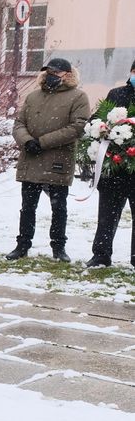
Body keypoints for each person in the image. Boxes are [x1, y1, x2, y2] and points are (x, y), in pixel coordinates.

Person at [7, 57, 91, 262]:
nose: (51, 76)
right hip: (31, 158)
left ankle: (58, 247)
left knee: (58, 207)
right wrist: (27, 141)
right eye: (48, 72)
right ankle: (23, 244)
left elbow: (77, 127)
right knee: (27, 206)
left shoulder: (78, 97)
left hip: (58, 159)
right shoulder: (33, 96)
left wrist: (42, 142)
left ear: (67, 75)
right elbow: (19, 123)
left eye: (56, 73)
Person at [86, 59, 135, 268]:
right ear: (131, 72)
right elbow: (96, 120)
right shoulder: (116, 94)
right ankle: (101, 254)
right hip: (114, 168)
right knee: (107, 214)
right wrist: (100, 129)